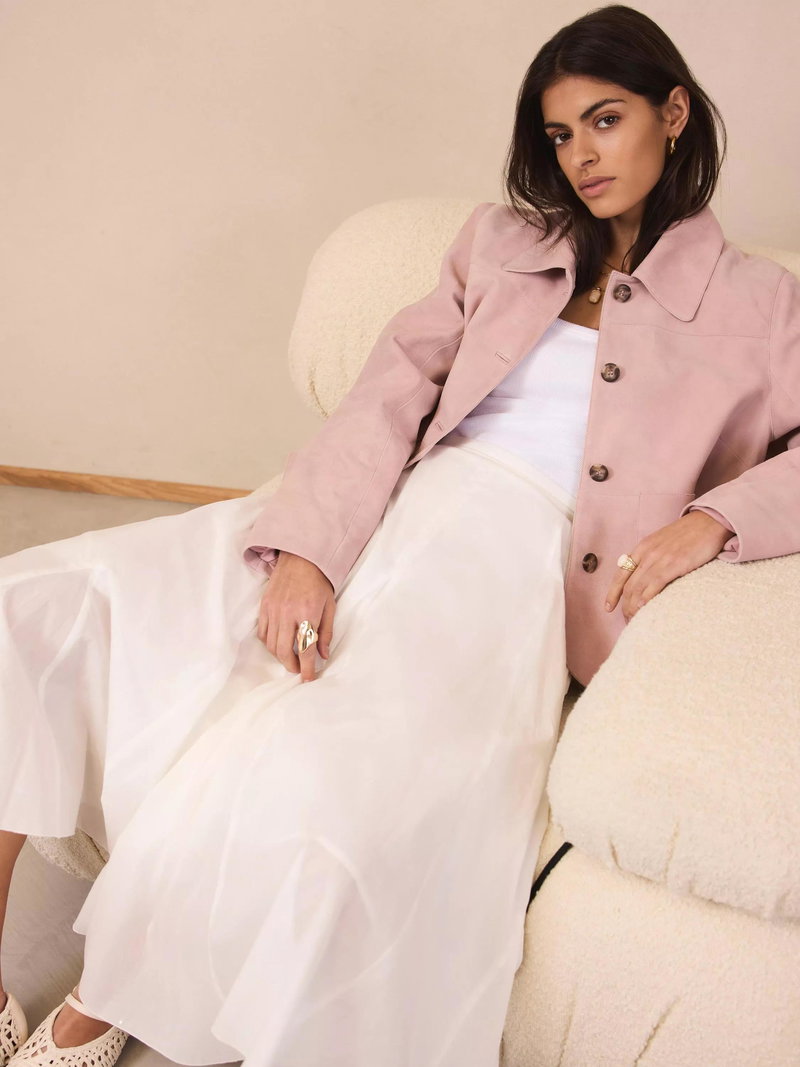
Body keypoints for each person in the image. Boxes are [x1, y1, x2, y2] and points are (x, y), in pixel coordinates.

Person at [1, 4, 798, 1066]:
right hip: (380, 507)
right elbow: (387, 394)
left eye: (605, 120)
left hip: (512, 564)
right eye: (560, 133)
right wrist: (307, 551)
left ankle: (101, 1002)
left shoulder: (759, 304)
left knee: (306, 755)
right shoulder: (500, 244)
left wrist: (711, 519)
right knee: (32, 604)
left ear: (675, 113)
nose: (582, 156)